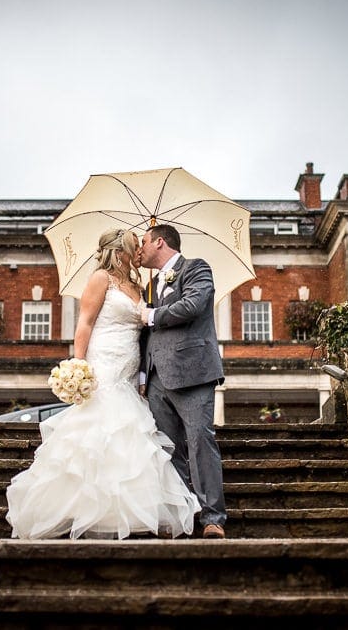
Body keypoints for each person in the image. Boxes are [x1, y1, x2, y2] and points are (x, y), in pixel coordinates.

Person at [5, 228, 200, 539]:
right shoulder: (101, 279)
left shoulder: (139, 284)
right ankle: (85, 508)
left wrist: (141, 376)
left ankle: (129, 509)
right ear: (120, 251)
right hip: (104, 362)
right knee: (103, 428)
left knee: (132, 433)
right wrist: (79, 365)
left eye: (142, 246)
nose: (139, 252)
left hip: (129, 367)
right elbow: (85, 322)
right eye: (135, 247)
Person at [137, 224, 227, 539]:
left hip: (193, 372)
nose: (140, 248)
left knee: (200, 442)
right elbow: (145, 337)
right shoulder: (148, 287)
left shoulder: (196, 268)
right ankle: (183, 514)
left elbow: (194, 305)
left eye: (144, 241)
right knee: (168, 449)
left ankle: (213, 518)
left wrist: (151, 315)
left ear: (160, 242)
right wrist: (142, 375)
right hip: (157, 379)